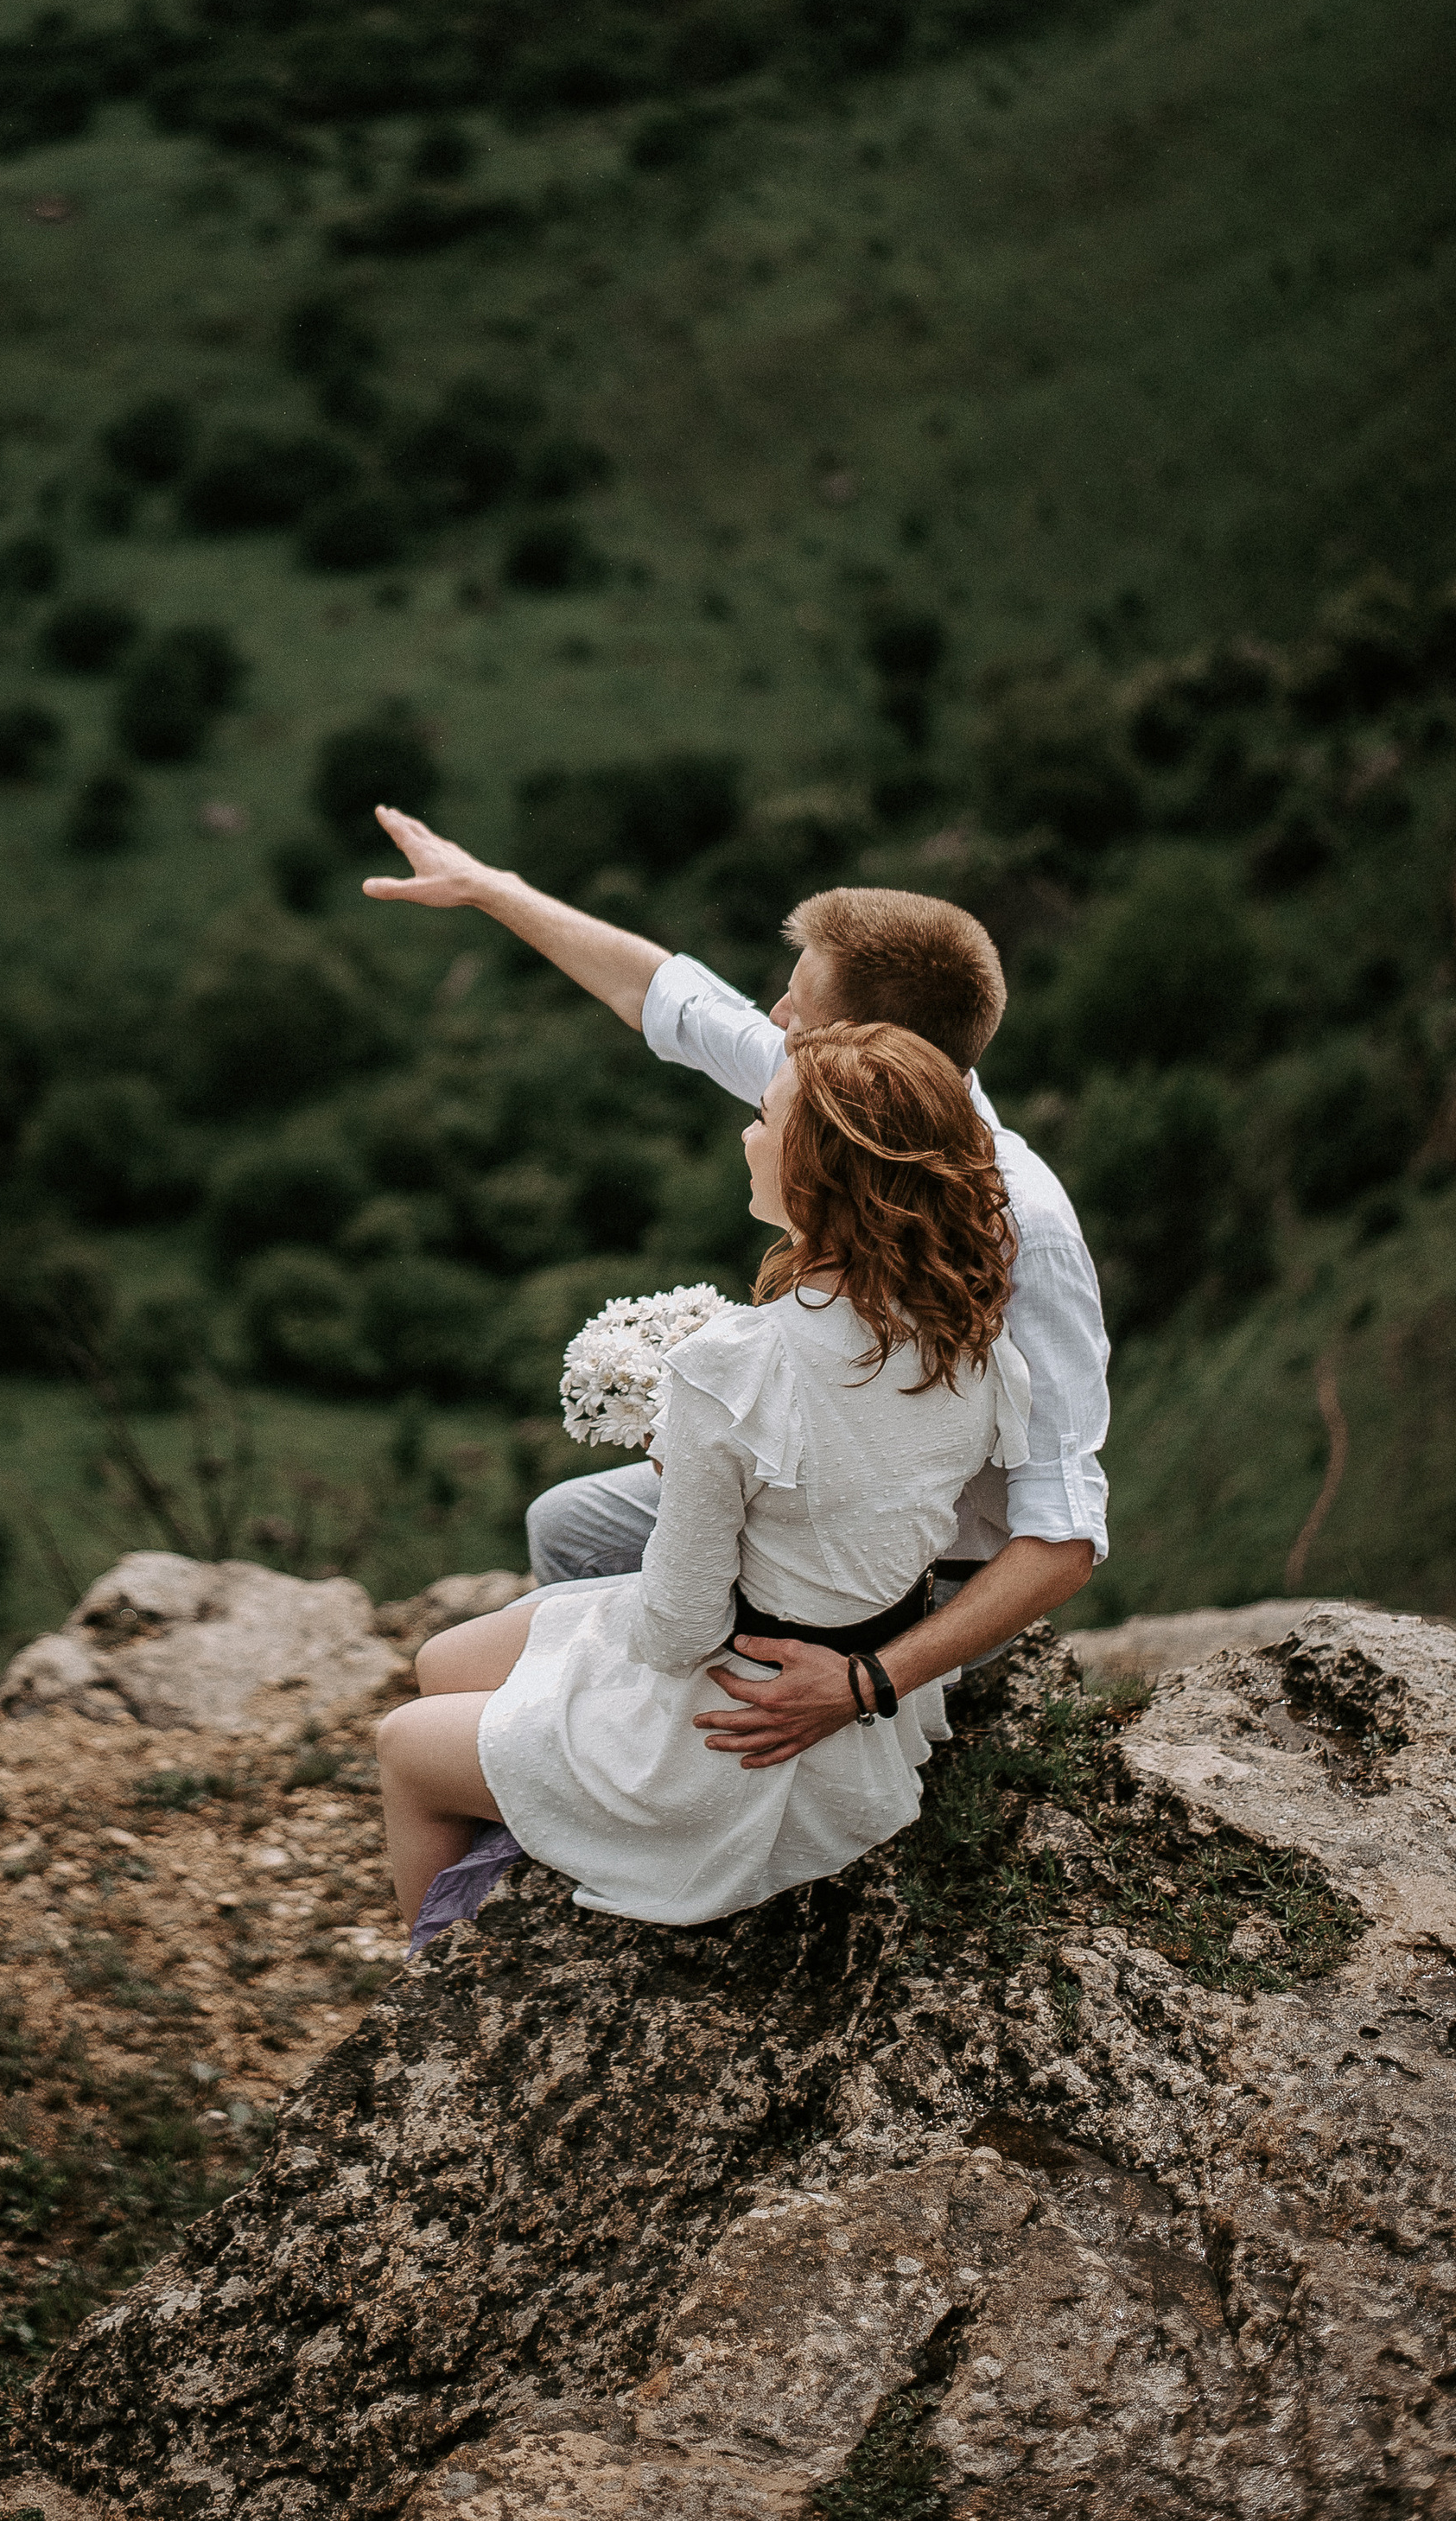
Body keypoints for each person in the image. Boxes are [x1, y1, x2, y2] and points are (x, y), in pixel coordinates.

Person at [362, 811, 1107, 1774]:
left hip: (923, 1570)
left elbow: (1062, 1536)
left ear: (862, 1048)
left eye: (796, 1006)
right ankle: (618, 1741)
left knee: (541, 1628)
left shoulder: (1025, 1226)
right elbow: (667, 997)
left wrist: (868, 1682)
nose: (772, 1019)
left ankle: (640, 1773)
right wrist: (489, 887)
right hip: (816, 1488)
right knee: (570, 1523)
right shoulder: (847, 1101)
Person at [375, 1022, 1033, 1926]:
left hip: (738, 1735)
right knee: (442, 1658)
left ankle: (438, 1995)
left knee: (405, 1744)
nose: (746, 1136)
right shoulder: (977, 1345)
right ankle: (518, 1810)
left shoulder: (735, 1365)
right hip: (856, 1693)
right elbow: (862, 1499)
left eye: (765, 1120)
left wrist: (690, 1469)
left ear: (818, 1170)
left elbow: (679, 1632)